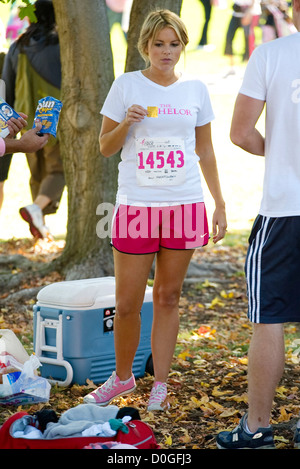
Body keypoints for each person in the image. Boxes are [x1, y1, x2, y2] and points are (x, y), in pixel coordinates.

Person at [84, 9, 227, 411]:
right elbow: (104, 147)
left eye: (175, 44)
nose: (167, 51)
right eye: (159, 44)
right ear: (144, 45)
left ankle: (160, 385)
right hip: (136, 207)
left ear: (182, 46)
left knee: (168, 296)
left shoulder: (196, 89)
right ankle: (123, 377)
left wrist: (219, 202)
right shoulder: (127, 86)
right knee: (127, 302)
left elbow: (206, 151)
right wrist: (125, 125)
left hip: (184, 205)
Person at [216, 0, 300, 449]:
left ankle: (256, 427)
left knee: (270, 319)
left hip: (285, 208)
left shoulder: (271, 53)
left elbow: (241, 132)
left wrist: (282, 152)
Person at [1, 0, 63, 239]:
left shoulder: (17, 46)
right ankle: (36, 209)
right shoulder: (61, 45)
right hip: (56, 120)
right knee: (59, 169)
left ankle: (40, 227)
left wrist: (10, 128)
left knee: (36, 172)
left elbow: (7, 87)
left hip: (25, 119)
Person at [223, 0, 254, 75]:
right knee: (229, 37)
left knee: (247, 40)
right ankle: (231, 66)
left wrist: (249, 11)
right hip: (236, 12)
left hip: (248, 11)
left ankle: (248, 67)